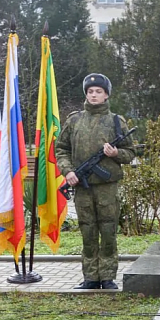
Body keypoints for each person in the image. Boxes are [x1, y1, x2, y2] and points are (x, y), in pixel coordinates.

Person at [56, 74, 135, 290]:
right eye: (90, 91)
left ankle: (108, 277)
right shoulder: (74, 120)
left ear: (106, 94)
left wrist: (116, 152)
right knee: (88, 231)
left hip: (107, 187)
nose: (93, 95)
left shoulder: (116, 121)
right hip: (82, 187)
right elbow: (61, 149)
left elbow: (131, 153)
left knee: (108, 232)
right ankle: (90, 277)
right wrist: (68, 171)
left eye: (98, 91)